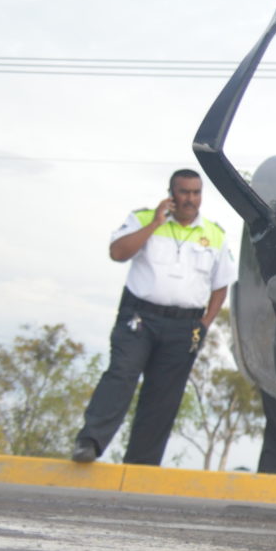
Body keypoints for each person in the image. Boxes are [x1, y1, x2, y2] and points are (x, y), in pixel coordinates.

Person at [73, 169, 236, 466]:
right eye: (184, 192)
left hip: (186, 325)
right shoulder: (143, 218)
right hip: (140, 318)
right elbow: (118, 253)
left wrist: (204, 324)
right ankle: (90, 442)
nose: (190, 199)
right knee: (121, 375)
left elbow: (220, 286)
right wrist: (155, 223)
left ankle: (140, 464)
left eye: (196, 192)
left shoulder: (215, 234)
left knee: (164, 397)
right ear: (171, 193)